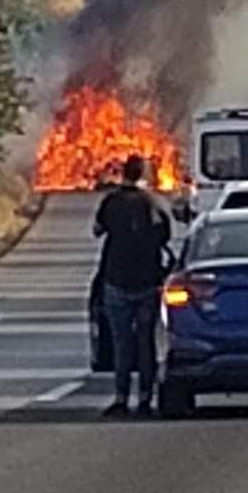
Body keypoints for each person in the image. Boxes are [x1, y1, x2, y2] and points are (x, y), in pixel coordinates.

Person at [93, 154, 171, 418]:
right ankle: (146, 399)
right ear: (144, 175)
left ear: (123, 173)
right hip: (148, 282)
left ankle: (121, 397)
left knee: (121, 343)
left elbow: (97, 229)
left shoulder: (112, 202)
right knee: (146, 343)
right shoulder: (155, 203)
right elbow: (165, 236)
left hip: (116, 281)